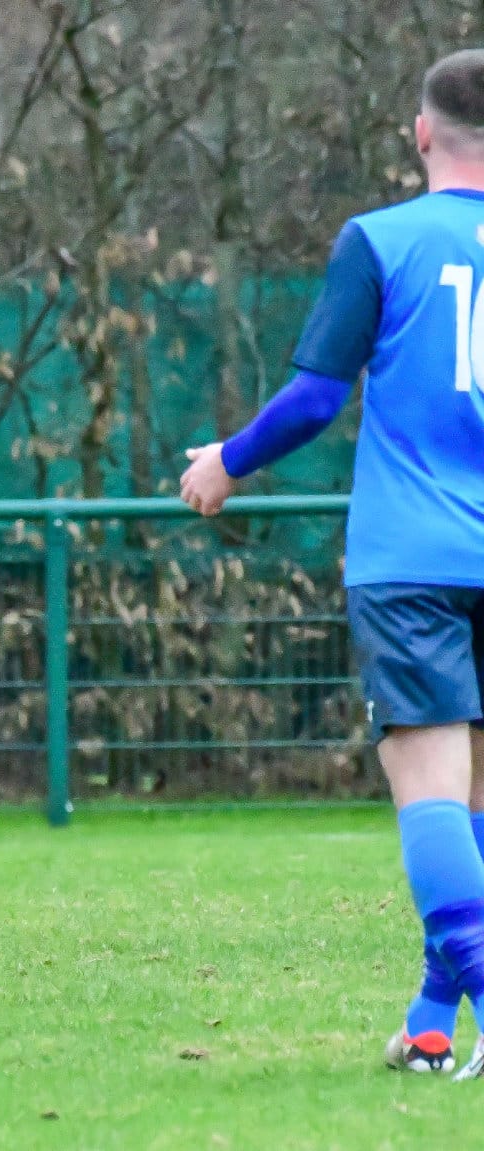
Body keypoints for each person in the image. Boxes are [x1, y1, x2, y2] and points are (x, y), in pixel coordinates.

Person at [180, 49, 484, 1078]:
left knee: (433, 791)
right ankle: (431, 1022)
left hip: (413, 560)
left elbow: (315, 397)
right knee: (473, 807)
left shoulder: (381, 240)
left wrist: (225, 462)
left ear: (419, 133)